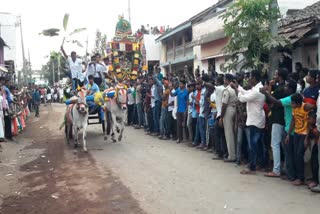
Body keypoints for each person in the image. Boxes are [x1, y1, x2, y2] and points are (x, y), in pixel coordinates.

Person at [260, 80, 298, 180]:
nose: (284, 88)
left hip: (290, 128)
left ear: (290, 88)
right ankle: (286, 171)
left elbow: (276, 102)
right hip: (288, 126)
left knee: (281, 148)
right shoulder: (292, 97)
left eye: (286, 87)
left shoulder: (290, 98)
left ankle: (279, 171)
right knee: (286, 150)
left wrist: (265, 93)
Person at [232, 70, 266, 175]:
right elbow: (247, 93)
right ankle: (260, 164)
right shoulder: (257, 88)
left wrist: (236, 90)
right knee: (259, 144)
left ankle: (252, 167)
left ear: (255, 78)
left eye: (250, 77)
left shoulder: (256, 91)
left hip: (255, 120)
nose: (248, 79)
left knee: (253, 145)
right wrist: (238, 87)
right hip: (257, 119)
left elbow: (242, 98)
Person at [286, 93, 315, 185]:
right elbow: (293, 121)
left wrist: (306, 139)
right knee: (296, 155)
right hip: (296, 133)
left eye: (293, 103)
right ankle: (299, 177)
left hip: (304, 134)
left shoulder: (305, 107)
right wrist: (288, 134)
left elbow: (314, 105)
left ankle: (301, 178)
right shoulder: (295, 109)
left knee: (299, 154)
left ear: (298, 103)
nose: (291, 105)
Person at [263, 68, 288, 177]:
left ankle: (276, 169)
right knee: (283, 145)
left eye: (276, 74)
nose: (274, 76)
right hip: (283, 118)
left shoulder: (279, 89)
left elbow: (268, 99)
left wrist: (268, 87)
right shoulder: (284, 87)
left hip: (277, 118)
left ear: (280, 76)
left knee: (275, 144)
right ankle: (285, 168)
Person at [220, 74, 238, 162]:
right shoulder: (236, 88)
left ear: (227, 80)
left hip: (228, 110)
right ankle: (236, 154)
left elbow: (224, 104)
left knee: (229, 133)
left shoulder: (227, 90)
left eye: (224, 79)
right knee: (235, 133)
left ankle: (232, 156)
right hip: (236, 110)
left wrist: (221, 117)